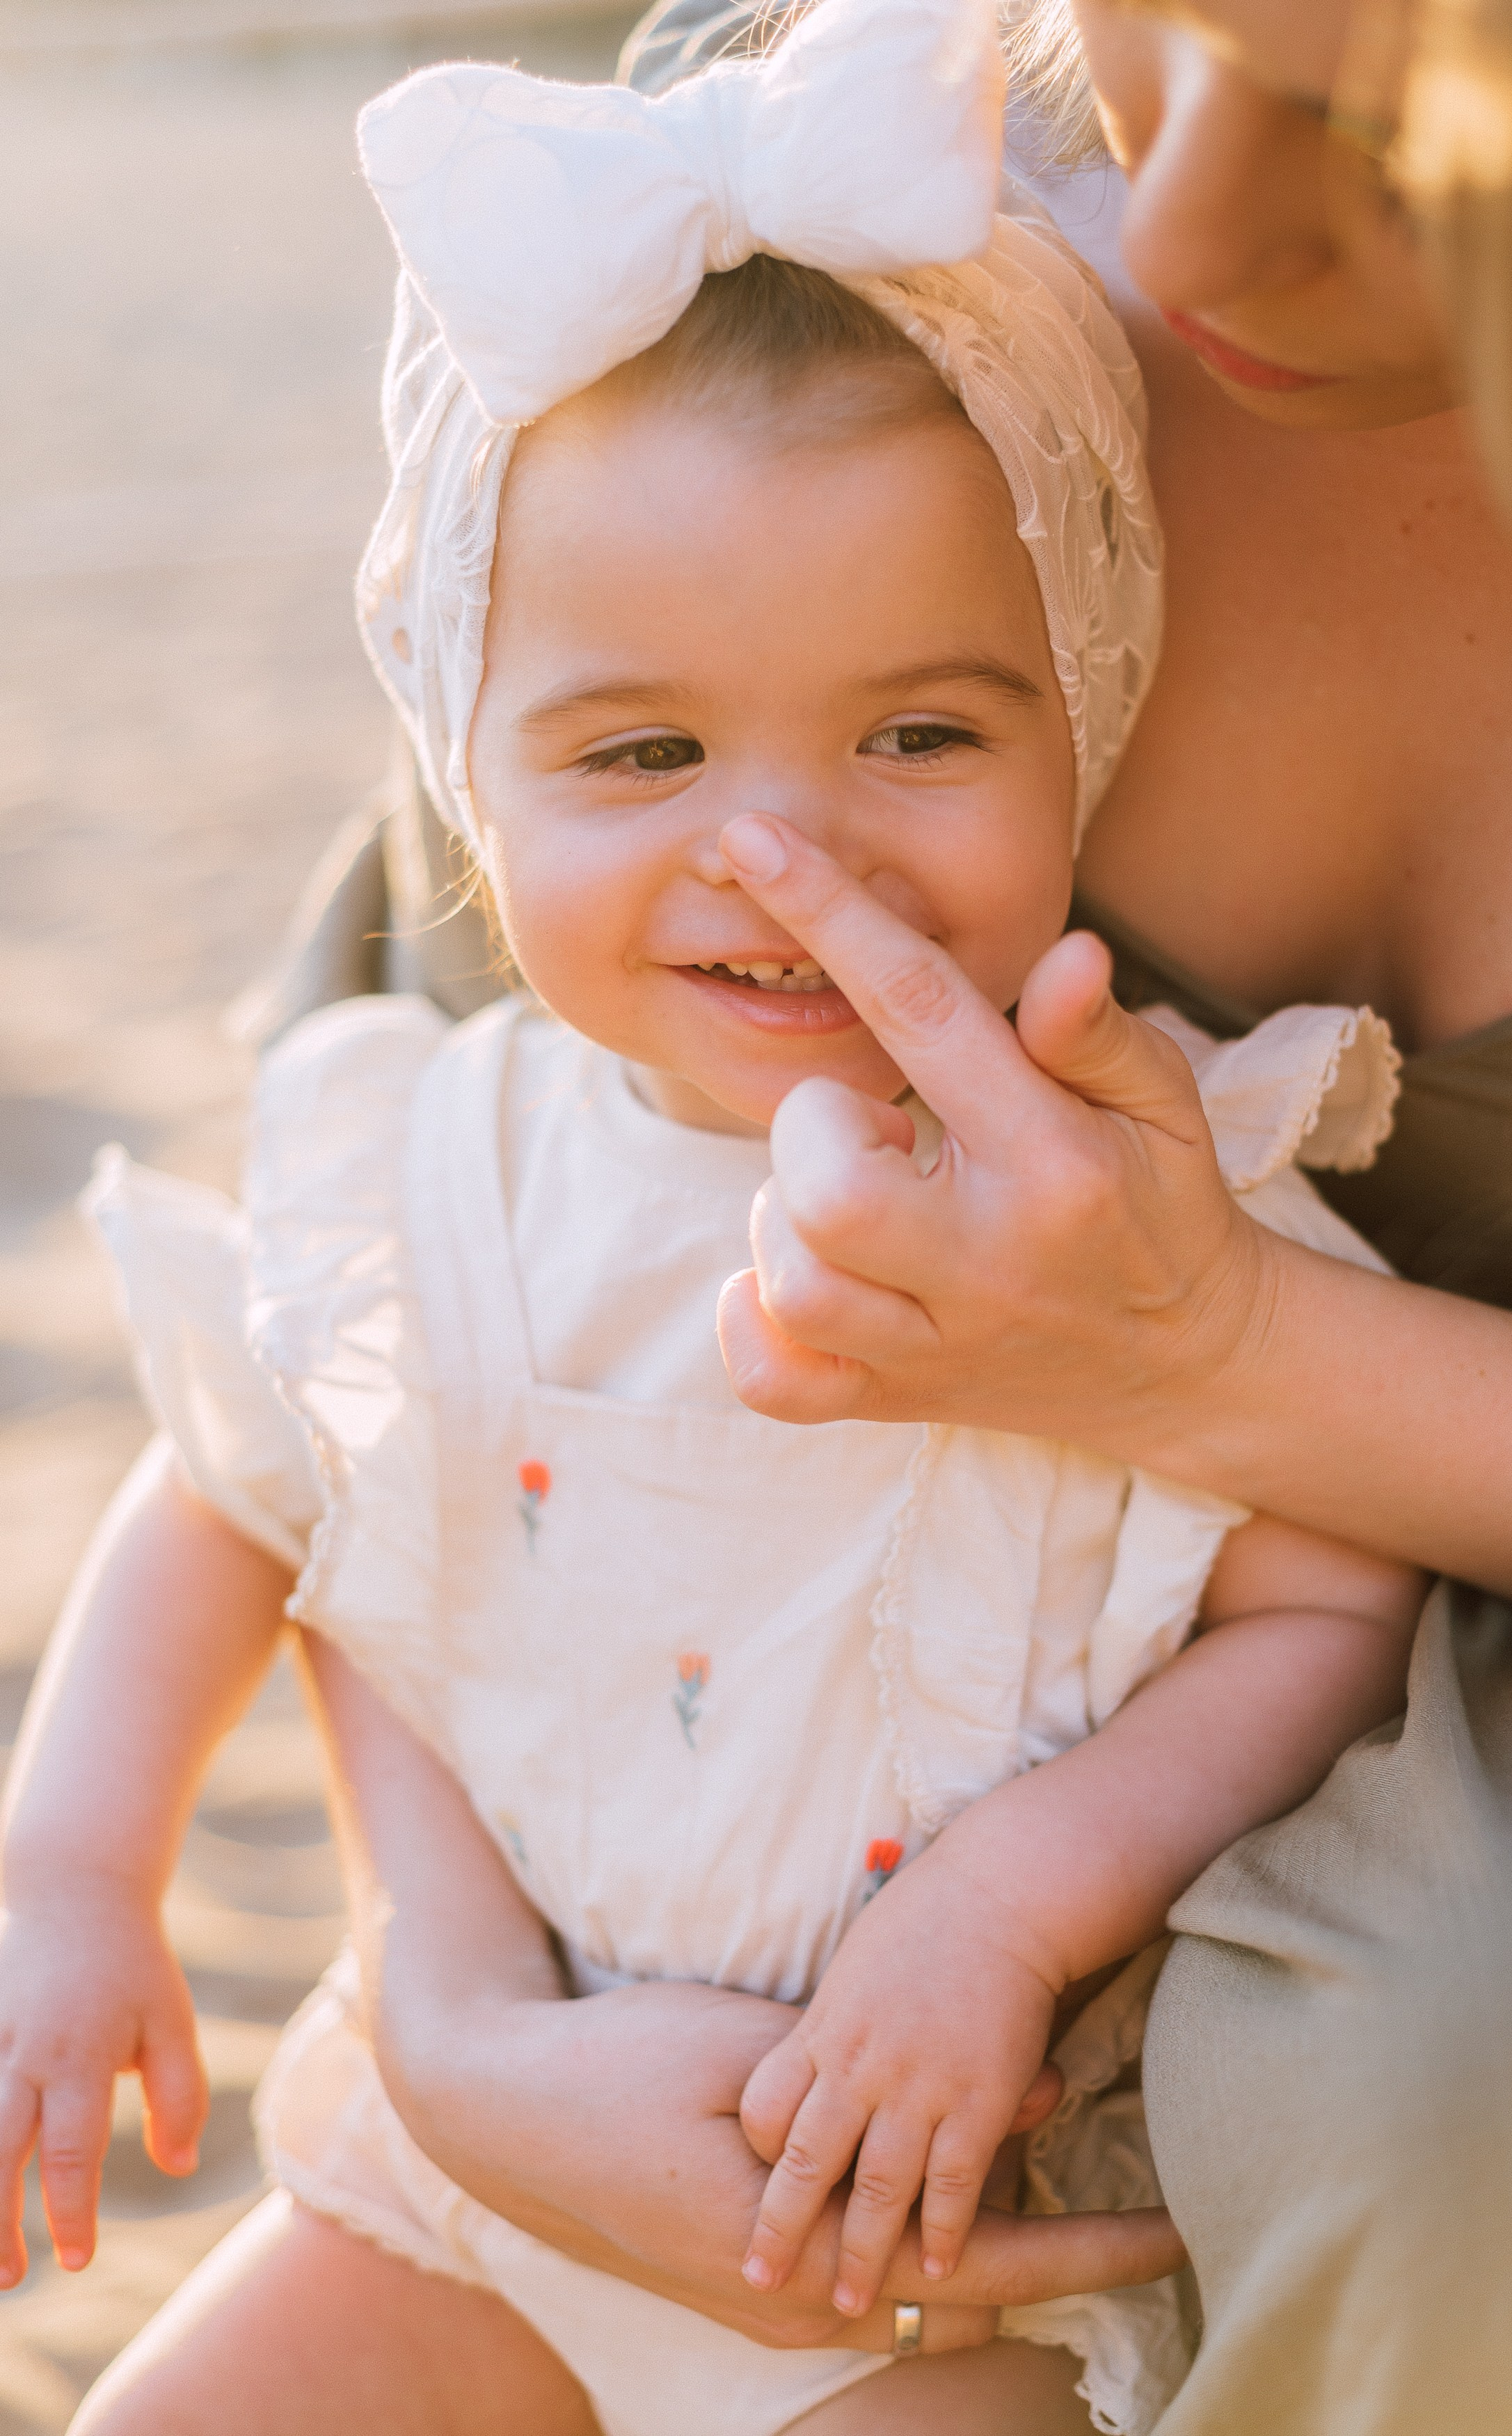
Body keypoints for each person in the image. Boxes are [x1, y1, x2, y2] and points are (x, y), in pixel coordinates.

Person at [0, 5, 1431, 2430]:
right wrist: (73, 1868)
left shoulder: (1133, 1181)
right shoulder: (432, 1155)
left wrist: (1015, 1896)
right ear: (467, 768)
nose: (783, 850)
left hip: (926, 2240)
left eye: (919, 734)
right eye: (643, 751)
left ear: (1092, 709)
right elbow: (229, 1489)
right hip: (468, 2181)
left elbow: (1329, 1594)